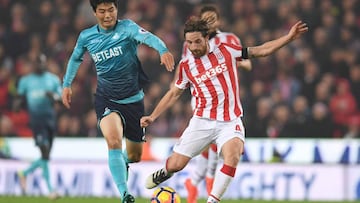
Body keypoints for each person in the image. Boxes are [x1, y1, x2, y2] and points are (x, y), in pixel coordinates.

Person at [141, 17, 308, 203]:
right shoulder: (186, 66)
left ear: (206, 39)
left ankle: (213, 200)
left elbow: (260, 51)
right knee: (176, 165)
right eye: (189, 42)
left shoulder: (226, 51)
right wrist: (153, 116)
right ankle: (165, 172)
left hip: (229, 121)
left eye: (197, 41)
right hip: (202, 121)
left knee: (233, 155)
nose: (193, 46)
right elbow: (174, 94)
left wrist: (289, 37)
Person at [61, 1, 174, 203]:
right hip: (106, 99)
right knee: (113, 141)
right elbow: (76, 58)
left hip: (134, 102)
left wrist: (163, 50)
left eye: (111, 10)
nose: (107, 15)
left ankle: (122, 162)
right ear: (94, 13)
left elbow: (148, 38)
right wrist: (67, 84)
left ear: (116, 10)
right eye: (102, 11)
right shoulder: (87, 36)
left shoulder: (127, 27)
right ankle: (125, 194)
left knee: (135, 156)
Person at [181, 5, 252, 203]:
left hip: (225, 96)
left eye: (212, 18)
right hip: (201, 97)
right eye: (205, 20)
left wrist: (237, 62)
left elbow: (247, 61)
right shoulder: (194, 41)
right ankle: (208, 183)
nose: (209, 22)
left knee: (214, 143)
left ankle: (194, 182)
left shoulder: (230, 40)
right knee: (211, 140)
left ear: (219, 20)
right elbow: (186, 67)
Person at [16, 54, 62, 200]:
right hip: (36, 122)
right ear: (33, 65)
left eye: (42, 63)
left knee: (46, 156)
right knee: (44, 151)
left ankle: (24, 173)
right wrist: (17, 105)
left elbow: (60, 99)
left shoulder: (53, 80)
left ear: (45, 63)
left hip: (50, 121)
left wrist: (53, 97)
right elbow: (19, 100)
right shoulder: (25, 81)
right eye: (37, 63)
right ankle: (50, 190)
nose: (40, 65)